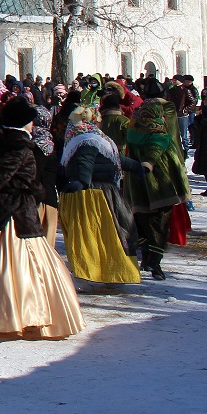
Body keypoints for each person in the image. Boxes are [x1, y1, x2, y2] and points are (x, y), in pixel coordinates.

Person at [0, 97, 84, 339]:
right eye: (30, 121)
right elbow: (0, 175)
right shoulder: (19, 146)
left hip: (10, 208)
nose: (33, 125)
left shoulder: (7, 141)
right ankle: (21, 314)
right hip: (15, 212)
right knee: (23, 263)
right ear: (24, 123)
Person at [58, 103, 143, 284]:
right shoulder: (95, 138)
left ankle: (103, 271)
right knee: (111, 233)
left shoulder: (83, 139)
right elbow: (107, 158)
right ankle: (111, 272)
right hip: (100, 191)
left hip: (94, 194)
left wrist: (81, 181)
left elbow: (87, 161)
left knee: (98, 234)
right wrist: (136, 167)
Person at [123, 98, 190, 280]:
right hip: (161, 185)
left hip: (136, 185)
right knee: (161, 223)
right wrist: (148, 164)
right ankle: (155, 261)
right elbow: (155, 148)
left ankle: (146, 257)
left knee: (143, 222)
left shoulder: (133, 131)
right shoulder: (159, 132)